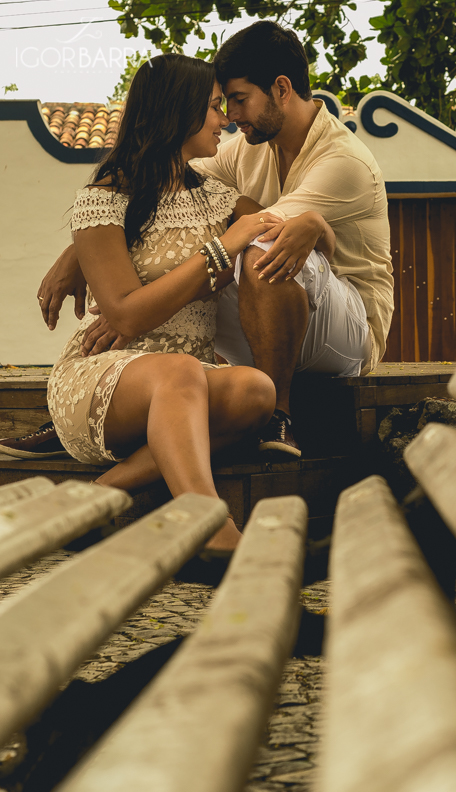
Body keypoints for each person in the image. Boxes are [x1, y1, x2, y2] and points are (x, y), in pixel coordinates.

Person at [26, 21, 394, 460]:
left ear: (281, 88)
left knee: (256, 251)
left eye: (238, 100)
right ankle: (94, 404)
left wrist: (131, 311)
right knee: (198, 260)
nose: (230, 116)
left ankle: (278, 414)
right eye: (222, 104)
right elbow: (161, 197)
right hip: (270, 314)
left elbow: (255, 231)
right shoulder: (250, 145)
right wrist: (83, 248)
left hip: (344, 329)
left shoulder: (344, 161)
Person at [41, 53, 335, 554]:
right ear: (177, 112)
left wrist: (314, 225)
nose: (224, 119)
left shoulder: (216, 198)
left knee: (257, 391)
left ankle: (100, 495)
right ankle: (211, 525)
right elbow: (125, 314)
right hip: (102, 382)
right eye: (213, 106)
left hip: (185, 382)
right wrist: (223, 248)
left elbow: (299, 242)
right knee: (181, 370)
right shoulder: (102, 199)